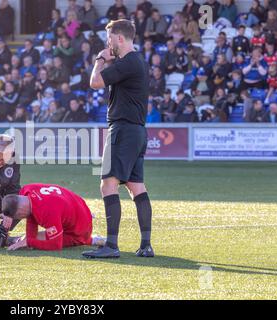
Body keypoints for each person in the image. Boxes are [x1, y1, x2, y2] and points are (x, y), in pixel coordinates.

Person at [85, 19, 153, 259]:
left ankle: (111, 245)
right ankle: (146, 245)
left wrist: (100, 60)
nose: (108, 43)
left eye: (110, 39)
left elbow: (95, 82)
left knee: (108, 184)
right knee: (136, 188)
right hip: (137, 131)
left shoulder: (127, 62)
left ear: (120, 38)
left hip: (122, 129)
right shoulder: (137, 62)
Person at [2, 184, 106, 251]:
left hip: (82, 226)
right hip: (78, 205)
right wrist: (29, 239)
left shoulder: (47, 212)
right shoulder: (26, 190)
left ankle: (90, 239)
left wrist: (30, 241)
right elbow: (31, 216)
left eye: (18, 216)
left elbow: (56, 245)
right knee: (29, 239)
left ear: (20, 211)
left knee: (34, 240)